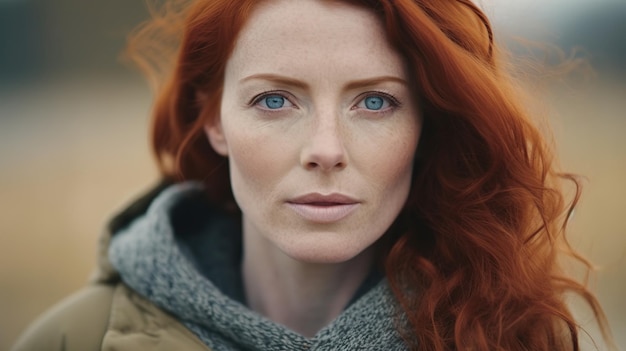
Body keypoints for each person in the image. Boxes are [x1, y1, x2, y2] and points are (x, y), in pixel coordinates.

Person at [11, 0, 615, 350]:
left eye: (375, 102)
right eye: (275, 101)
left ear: (426, 127)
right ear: (212, 119)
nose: (325, 150)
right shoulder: (72, 340)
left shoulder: (514, 335)